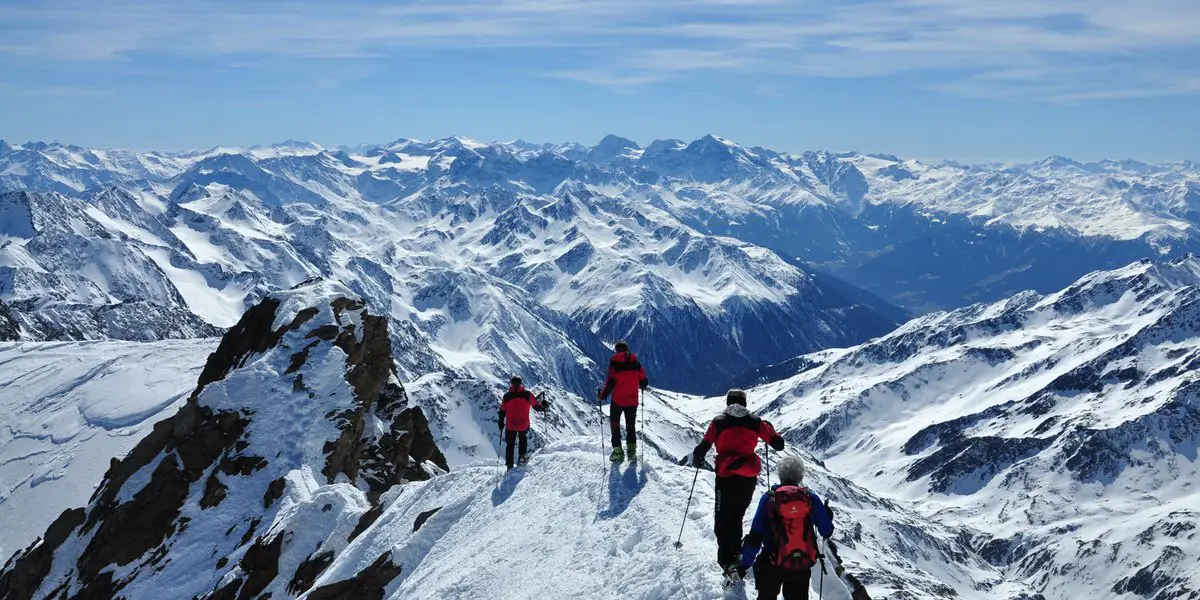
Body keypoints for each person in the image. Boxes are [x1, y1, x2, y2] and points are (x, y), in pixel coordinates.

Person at [692, 389, 785, 581]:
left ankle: (728, 562)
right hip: (747, 478)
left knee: (722, 519)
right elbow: (778, 444)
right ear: (745, 403)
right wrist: (770, 431)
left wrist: (698, 458)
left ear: (728, 403)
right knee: (737, 515)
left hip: (725, 477)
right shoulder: (755, 422)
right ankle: (735, 554)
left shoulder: (719, 422)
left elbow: (703, 447)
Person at [738, 456, 834, 600]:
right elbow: (826, 531)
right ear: (800, 476)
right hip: (800, 564)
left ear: (781, 475)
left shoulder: (769, 498)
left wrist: (744, 564)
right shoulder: (810, 497)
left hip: (771, 563)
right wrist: (825, 515)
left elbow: (755, 536)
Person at [598, 340, 648, 462]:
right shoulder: (636, 363)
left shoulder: (614, 363)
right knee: (631, 426)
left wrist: (602, 396)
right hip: (632, 401)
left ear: (617, 350)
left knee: (615, 424)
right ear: (627, 349)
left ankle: (618, 452)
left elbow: (610, 383)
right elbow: (644, 381)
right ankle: (631, 453)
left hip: (618, 400)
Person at [498, 376, 549, 470]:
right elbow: (536, 407)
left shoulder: (507, 396)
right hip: (523, 424)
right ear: (521, 384)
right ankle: (521, 458)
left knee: (510, 445)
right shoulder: (528, 394)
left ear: (511, 384)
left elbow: (502, 411)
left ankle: (509, 466)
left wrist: (500, 423)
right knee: (523, 439)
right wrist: (544, 406)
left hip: (510, 425)